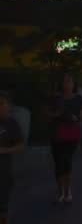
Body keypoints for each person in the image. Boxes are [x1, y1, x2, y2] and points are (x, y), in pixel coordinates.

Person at [48, 73, 82, 204]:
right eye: (65, 82)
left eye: (69, 81)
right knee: (58, 162)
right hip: (57, 132)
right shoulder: (56, 98)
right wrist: (56, 114)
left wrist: (79, 117)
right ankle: (61, 190)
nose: (67, 84)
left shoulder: (79, 99)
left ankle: (67, 190)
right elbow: (47, 113)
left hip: (72, 132)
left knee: (66, 160)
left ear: (74, 84)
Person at [0, 91, 24, 224]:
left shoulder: (11, 123)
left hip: (3, 174)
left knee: (3, 210)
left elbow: (20, 146)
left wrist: (5, 150)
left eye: (2, 103)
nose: (0, 107)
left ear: (8, 106)